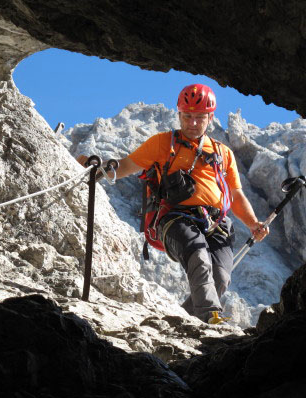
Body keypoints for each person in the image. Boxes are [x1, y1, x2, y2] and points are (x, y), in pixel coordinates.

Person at [77, 84, 268, 324]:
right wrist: (95, 168)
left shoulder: (223, 153)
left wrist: (252, 223)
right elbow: (125, 166)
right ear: (179, 115)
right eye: (187, 116)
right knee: (198, 256)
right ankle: (211, 319)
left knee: (219, 277)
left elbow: (236, 195)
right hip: (176, 219)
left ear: (210, 118)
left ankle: (182, 320)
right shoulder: (162, 144)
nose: (193, 123)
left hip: (216, 223)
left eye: (200, 117)